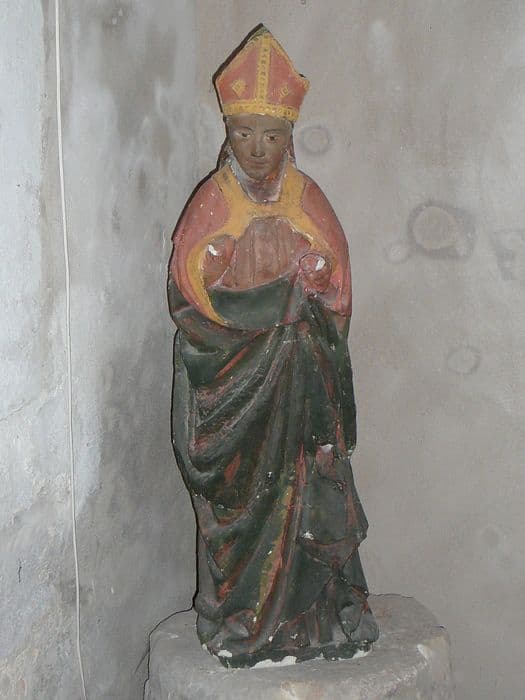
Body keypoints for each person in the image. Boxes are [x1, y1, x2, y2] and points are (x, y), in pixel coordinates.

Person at [168, 26, 379, 668]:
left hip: (300, 392)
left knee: (308, 491)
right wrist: (222, 266)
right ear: (227, 133)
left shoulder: (306, 198)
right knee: (242, 503)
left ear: (289, 136)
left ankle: (316, 619)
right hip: (236, 394)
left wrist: (317, 274)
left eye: (270, 135)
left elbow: (339, 287)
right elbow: (185, 295)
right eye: (243, 134)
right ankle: (244, 619)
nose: (257, 149)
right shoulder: (213, 201)